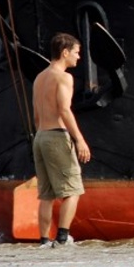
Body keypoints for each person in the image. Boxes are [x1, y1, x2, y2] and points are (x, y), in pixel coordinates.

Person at [32, 32, 91, 247]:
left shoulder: (40, 78)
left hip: (40, 137)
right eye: (76, 52)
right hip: (57, 136)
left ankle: (44, 241)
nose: (78, 57)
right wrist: (79, 140)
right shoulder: (64, 77)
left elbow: (36, 115)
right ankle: (63, 239)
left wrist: (42, 135)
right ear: (64, 52)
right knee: (73, 190)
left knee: (46, 194)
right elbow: (64, 110)